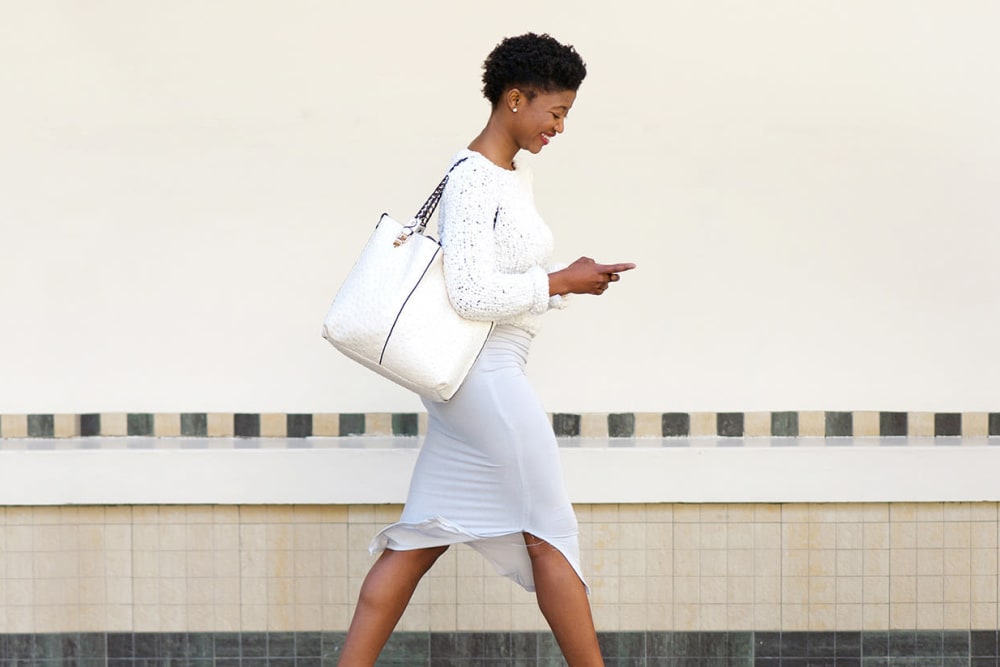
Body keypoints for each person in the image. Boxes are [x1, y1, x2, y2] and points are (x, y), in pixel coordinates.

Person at [338, 33, 635, 667]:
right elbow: (471, 295)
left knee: (417, 539)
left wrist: (566, 280)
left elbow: (496, 284)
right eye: (555, 112)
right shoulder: (475, 177)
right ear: (514, 98)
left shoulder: (508, 175)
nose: (559, 127)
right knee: (550, 535)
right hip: (487, 381)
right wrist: (558, 282)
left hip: (472, 382)